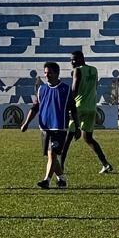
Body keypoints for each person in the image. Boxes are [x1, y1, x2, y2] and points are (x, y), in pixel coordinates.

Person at [20, 61, 78, 189]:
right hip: (45, 127)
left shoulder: (65, 89)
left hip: (59, 127)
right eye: (45, 73)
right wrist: (26, 123)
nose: (47, 75)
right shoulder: (42, 89)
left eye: (50, 73)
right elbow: (35, 108)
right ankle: (61, 178)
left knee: (52, 154)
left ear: (57, 73)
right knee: (51, 154)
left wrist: (77, 127)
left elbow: (73, 109)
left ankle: (46, 180)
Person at [63, 50, 114, 174]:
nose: (71, 62)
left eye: (73, 59)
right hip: (91, 108)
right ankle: (106, 164)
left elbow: (74, 89)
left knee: (67, 138)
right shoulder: (94, 70)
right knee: (88, 138)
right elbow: (94, 87)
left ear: (80, 59)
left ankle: (59, 167)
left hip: (78, 108)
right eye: (70, 60)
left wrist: (68, 104)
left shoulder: (77, 70)